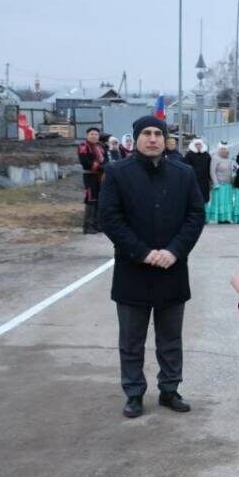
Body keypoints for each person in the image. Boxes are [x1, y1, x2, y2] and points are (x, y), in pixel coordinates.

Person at [97, 115, 205, 419]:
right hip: (133, 270)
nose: (153, 138)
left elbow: (195, 215)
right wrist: (142, 252)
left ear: (165, 139)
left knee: (170, 339)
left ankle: (170, 389)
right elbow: (110, 218)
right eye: (146, 133)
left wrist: (175, 251)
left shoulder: (184, 174)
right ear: (136, 139)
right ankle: (134, 393)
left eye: (158, 133)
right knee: (131, 340)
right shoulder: (117, 173)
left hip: (172, 269)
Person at [78, 126, 107, 234]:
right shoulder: (83, 146)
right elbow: (85, 162)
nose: (94, 136)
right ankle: (87, 226)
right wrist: (101, 168)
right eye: (92, 134)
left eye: (96, 134)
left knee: (100, 199)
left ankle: (97, 225)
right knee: (90, 199)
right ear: (87, 135)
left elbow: (105, 159)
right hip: (90, 175)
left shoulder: (100, 147)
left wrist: (105, 167)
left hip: (101, 176)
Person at [207, 142, 235, 224]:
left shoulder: (229, 158)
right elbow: (212, 171)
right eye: (222, 149)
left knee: (227, 202)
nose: (224, 150)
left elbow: (232, 170)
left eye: (225, 149)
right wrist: (215, 183)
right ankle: (219, 218)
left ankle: (226, 218)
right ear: (219, 149)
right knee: (220, 202)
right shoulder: (215, 158)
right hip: (219, 185)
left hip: (228, 184)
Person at [185, 138, 212, 207]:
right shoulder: (189, 155)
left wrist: (210, 178)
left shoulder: (206, 155)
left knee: (204, 197)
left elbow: (209, 167)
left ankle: (204, 210)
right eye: (196, 144)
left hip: (204, 180)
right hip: (193, 180)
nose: (198, 146)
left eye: (199, 144)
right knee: (193, 197)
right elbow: (186, 167)